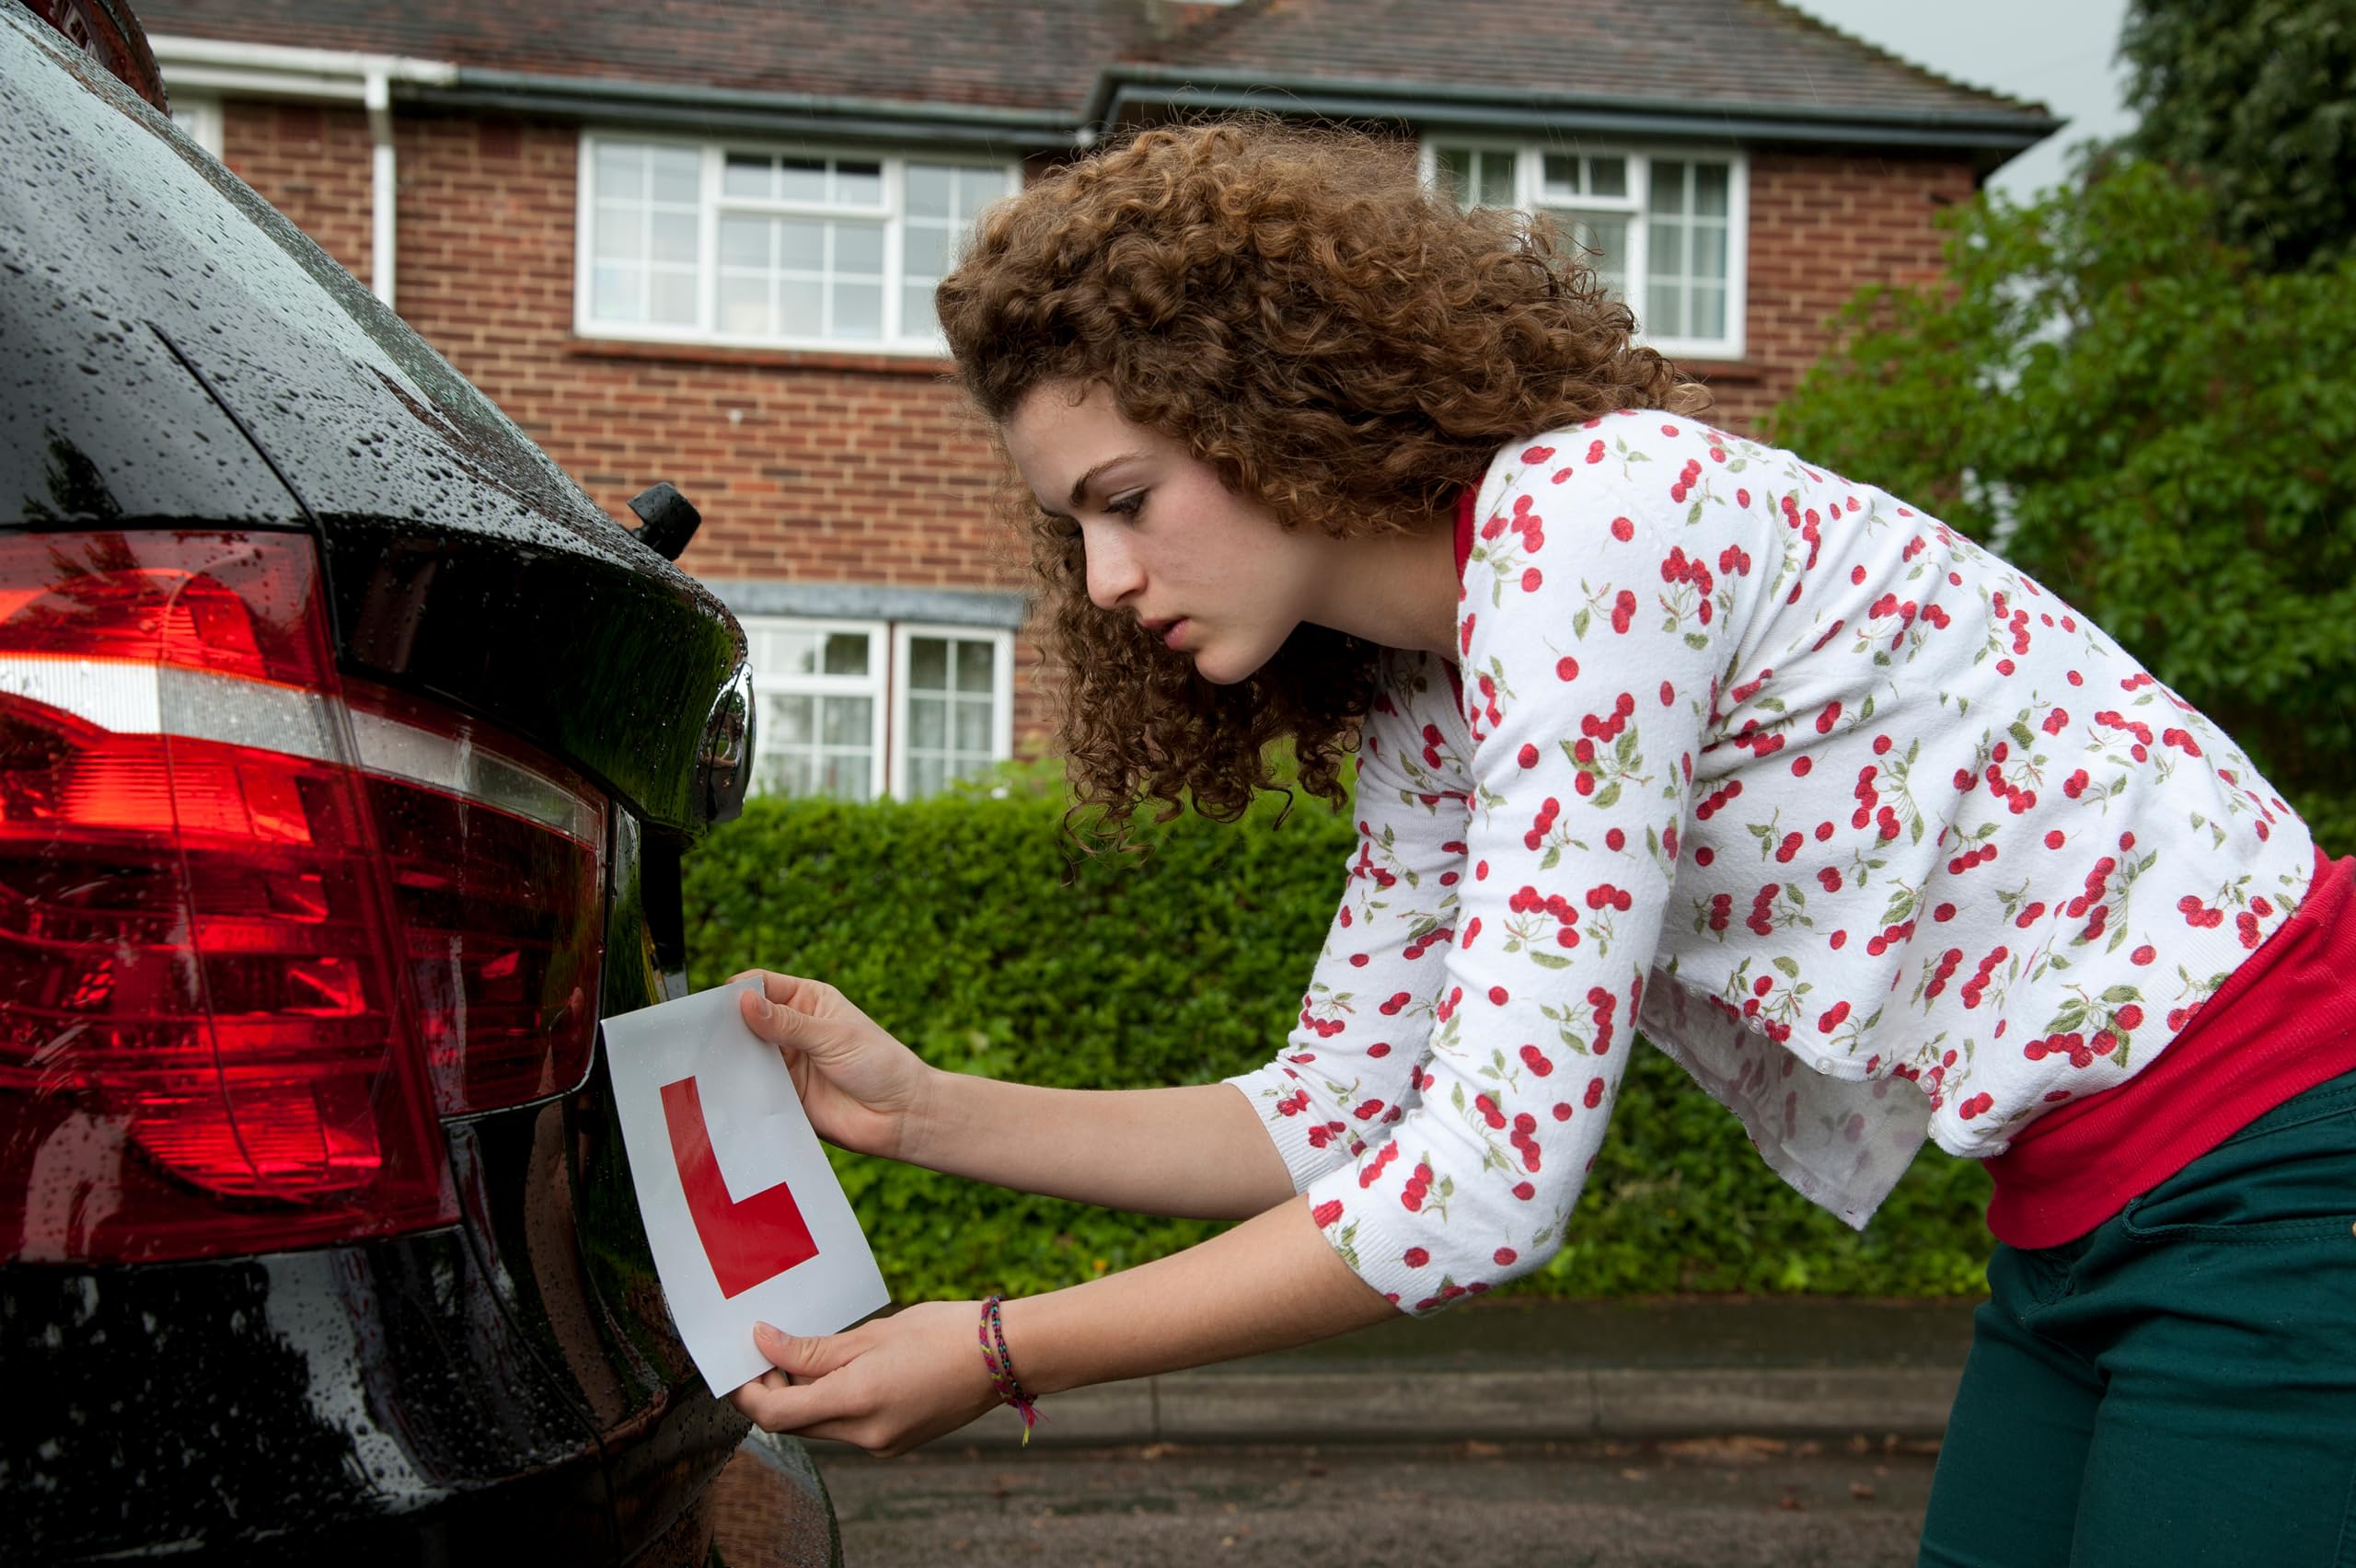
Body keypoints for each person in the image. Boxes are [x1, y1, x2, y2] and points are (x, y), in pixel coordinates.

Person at [724, 121, 2356, 1564]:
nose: (1098, 580)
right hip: (2078, 1221)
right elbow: (1336, 1115)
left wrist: (999, 1349)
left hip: (2289, 1167)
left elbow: (1484, 1187)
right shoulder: (1436, 693)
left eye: (1127, 496)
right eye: (1069, 521)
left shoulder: (1593, 522)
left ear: (1264, 404)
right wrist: (923, 1110)